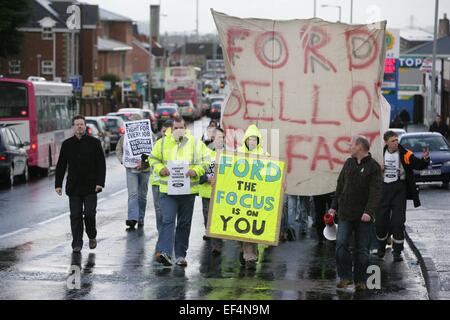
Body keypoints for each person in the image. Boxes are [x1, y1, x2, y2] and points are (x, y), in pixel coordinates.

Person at [147, 116, 210, 267]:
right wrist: (159, 168)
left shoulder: (195, 143)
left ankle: (181, 255)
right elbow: (153, 159)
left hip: (187, 191)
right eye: (176, 128)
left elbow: (206, 161)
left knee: (184, 223)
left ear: (185, 128)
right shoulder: (162, 143)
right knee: (167, 220)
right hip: (167, 191)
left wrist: (196, 170)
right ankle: (165, 253)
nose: (179, 130)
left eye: (181, 127)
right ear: (171, 129)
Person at [328, 136, 382, 291]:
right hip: (345, 213)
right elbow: (340, 186)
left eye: (351, 145)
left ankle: (360, 280)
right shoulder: (348, 163)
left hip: (363, 217)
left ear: (359, 147)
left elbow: (375, 193)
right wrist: (333, 207)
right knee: (341, 244)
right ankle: (345, 277)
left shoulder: (374, 167)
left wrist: (369, 212)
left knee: (362, 250)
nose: (349, 147)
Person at [376, 130, 430, 262]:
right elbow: (370, 169)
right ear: (386, 142)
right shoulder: (379, 153)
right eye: (392, 141)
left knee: (398, 222)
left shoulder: (405, 153)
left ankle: (397, 251)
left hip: (399, 189)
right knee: (381, 221)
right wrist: (379, 169)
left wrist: (425, 158)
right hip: (383, 190)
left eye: (396, 140)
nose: (395, 143)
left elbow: (418, 164)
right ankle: (381, 247)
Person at [55, 115, 106, 253]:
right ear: (73, 127)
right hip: (74, 187)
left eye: (81, 124)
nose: (79, 127)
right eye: (77, 124)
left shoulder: (94, 143)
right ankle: (77, 243)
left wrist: (100, 183)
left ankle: (92, 235)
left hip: (91, 186)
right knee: (75, 215)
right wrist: (58, 184)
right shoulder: (67, 144)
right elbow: (61, 165)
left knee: (89, 214)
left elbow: (101, 164)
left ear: (85, 126)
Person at [237, 124, 267, 270]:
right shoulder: (237, 154)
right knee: (240, 228)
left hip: (256, 197)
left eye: (255, 140)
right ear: (245, 140)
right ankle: (244, 251)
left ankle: (250, 257)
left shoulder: (265, 156)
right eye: (250, 139)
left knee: (252, 227)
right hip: (240, 197)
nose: (252, 142)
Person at [116, 114, 152, 229]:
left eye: (133, 121)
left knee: (142, 195)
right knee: (133, 194)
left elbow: (154, 152)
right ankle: (132, 218)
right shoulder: (125, 137)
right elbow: (118, 149)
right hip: (131, 169)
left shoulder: (149, 135)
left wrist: (144, 163)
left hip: (145, 169)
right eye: (130, 122)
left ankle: (140, 217)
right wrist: (123, 161)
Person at [199, 127, 225, 255]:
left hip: (221, 194)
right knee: (207, 219)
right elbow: (198, 172)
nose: (222, 140)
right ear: (213, 138)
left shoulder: (227, 153)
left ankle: (217, 245)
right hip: (207, 193)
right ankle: (212, 237)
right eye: (220, 137)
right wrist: (206, 178)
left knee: (218, 219)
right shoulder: (205, 152)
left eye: (223, 138)